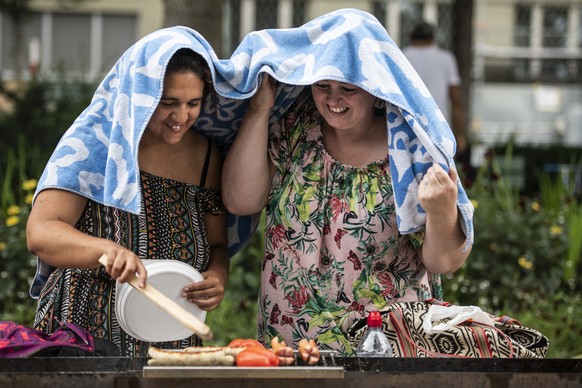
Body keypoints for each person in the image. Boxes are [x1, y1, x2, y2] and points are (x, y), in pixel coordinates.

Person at [221, 73, 472, 356]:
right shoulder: (295, 128)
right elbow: (240, 201)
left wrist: (441, 213)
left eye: (348, 89)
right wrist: (259, 109)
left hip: (384, 353)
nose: (332, 99)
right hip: (292, 352)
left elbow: (445, 262)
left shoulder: (410, 147)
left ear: (376, 90)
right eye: (322, 86)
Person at [26, 31, 229, 357]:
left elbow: (218, 244)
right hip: (84, 335)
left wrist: (218, 274)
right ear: (140, 94)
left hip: (170, 334)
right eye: (168, 103)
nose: (181, 118)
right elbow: (41, 233)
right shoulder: (96, 140)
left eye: (193, 104)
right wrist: (105, 249)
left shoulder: (207, 157)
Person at [402, 21, 467, 158]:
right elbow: (455, 99)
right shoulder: (446, 58)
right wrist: (459, 135)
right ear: (432, 38)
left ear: (412, 38)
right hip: (439, 127)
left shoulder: (403, 56)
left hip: (408, 125)